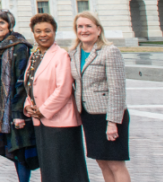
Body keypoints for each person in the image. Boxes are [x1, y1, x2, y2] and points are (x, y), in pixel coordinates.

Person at [23, 13, 88, 182]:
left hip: (61, 122)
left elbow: (64, 89)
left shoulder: (61, 55)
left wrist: (43, 110)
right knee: (50, 170)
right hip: (41, 121)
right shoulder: (35, 55)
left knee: (66, 170)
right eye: (38, 31)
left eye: (47, 31)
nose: (42, 35)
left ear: (54, 32)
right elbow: (30, 84)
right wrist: (28, 105)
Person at [69, 12, 130, 182]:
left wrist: (112, 122)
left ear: (98, 29)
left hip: (109, 116)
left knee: (116, 163)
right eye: (80, 26)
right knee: (102, 162)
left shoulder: (110, 51)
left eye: (88, 26)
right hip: (89, 116)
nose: (84, 30)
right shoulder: (73, 53)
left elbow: (117, 89)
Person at [0, 10, 37, 182]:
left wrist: (17, 113)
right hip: (3, 109)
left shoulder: (19, 46)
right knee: (14, 151)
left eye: (2, 22)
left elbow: (23, 81)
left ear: (9, 25)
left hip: (16, 108)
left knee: (21, 150)